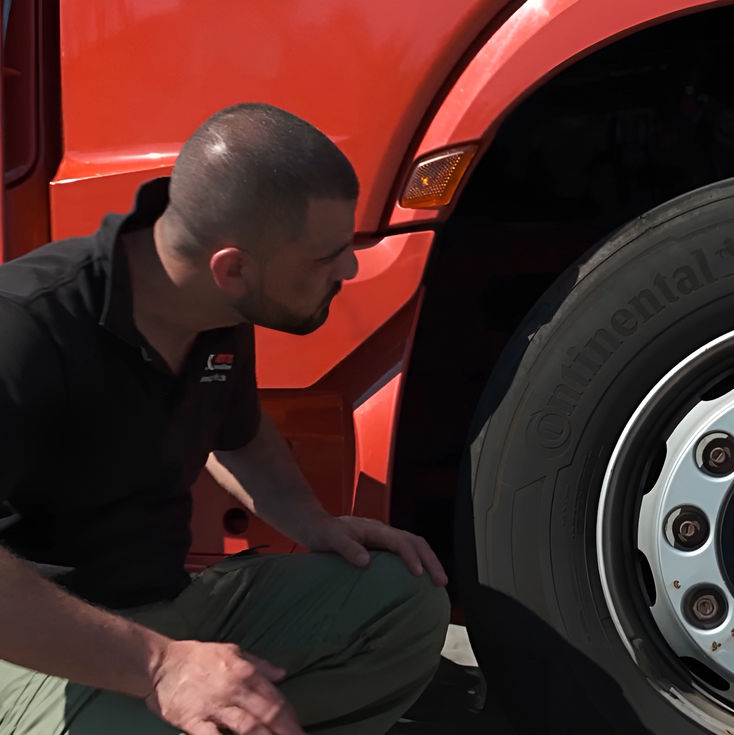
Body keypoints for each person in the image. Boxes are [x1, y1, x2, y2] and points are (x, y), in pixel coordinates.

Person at [0, 103, 450, 734]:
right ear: (232, 267)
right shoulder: (26, 328)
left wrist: (313, 524)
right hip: (38, 650)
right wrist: (161, 669)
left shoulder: (217, 311)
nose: (348, 269)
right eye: (326, 257)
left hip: (169, 614)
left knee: (403, 597)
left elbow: (240, 437)